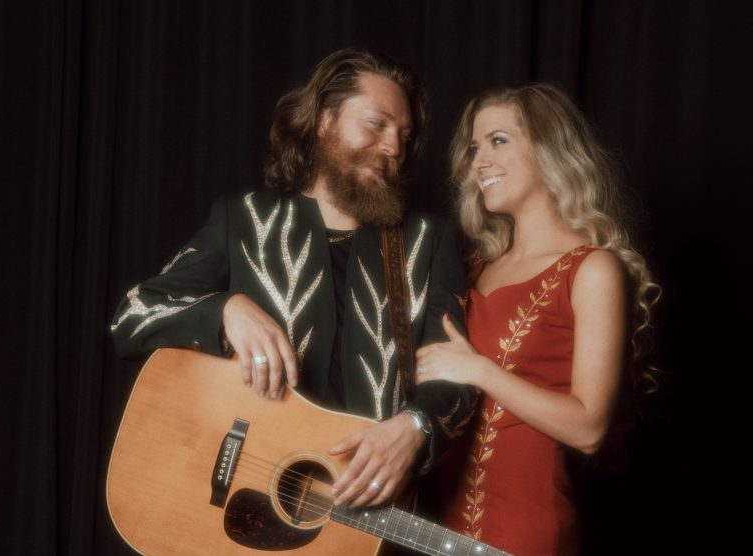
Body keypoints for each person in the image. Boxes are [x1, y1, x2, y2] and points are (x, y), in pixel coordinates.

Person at [110, 48, 477, 510]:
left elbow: (461, 378)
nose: (394, 149)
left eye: (404, 136)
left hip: (370, 522)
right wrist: (226, 310)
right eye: (377, 124)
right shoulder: (243, 220)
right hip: (248, 507)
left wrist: (416, 426)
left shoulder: (429, 241)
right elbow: (132, 317)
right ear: (324, 121)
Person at [414, 83, 659, 556]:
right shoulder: (471, 269)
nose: (479, 162)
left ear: (549, 149)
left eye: (498, 140)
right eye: (474, 147)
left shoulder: (592, 269)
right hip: (430, 528)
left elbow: (589, 429)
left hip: (524, 533)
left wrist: (479, 370)